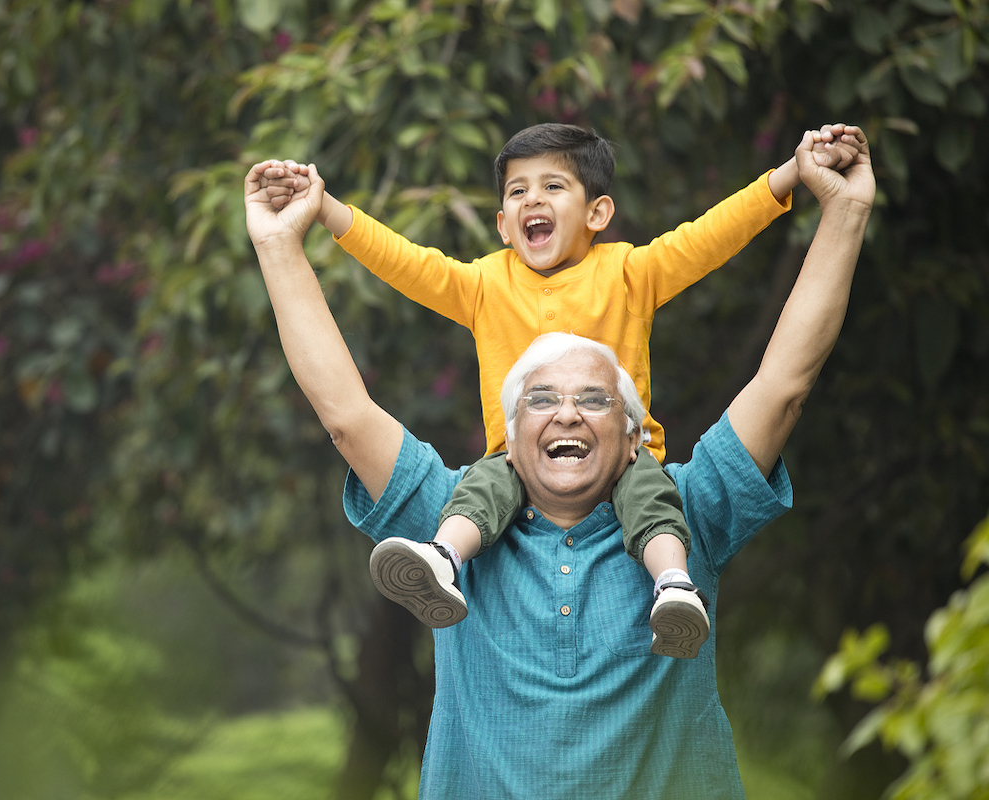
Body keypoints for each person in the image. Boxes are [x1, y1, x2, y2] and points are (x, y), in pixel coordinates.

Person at [247, 126, 873, 798]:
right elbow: (345, 413)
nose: (568, 413)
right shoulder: (452, 509)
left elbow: (782, 389)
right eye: (540, 398)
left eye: (594, 398)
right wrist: (281, 244)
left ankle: (672, 590)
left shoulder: (690, 513)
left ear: (634, 437)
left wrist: (843, 210)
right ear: (510, 437)